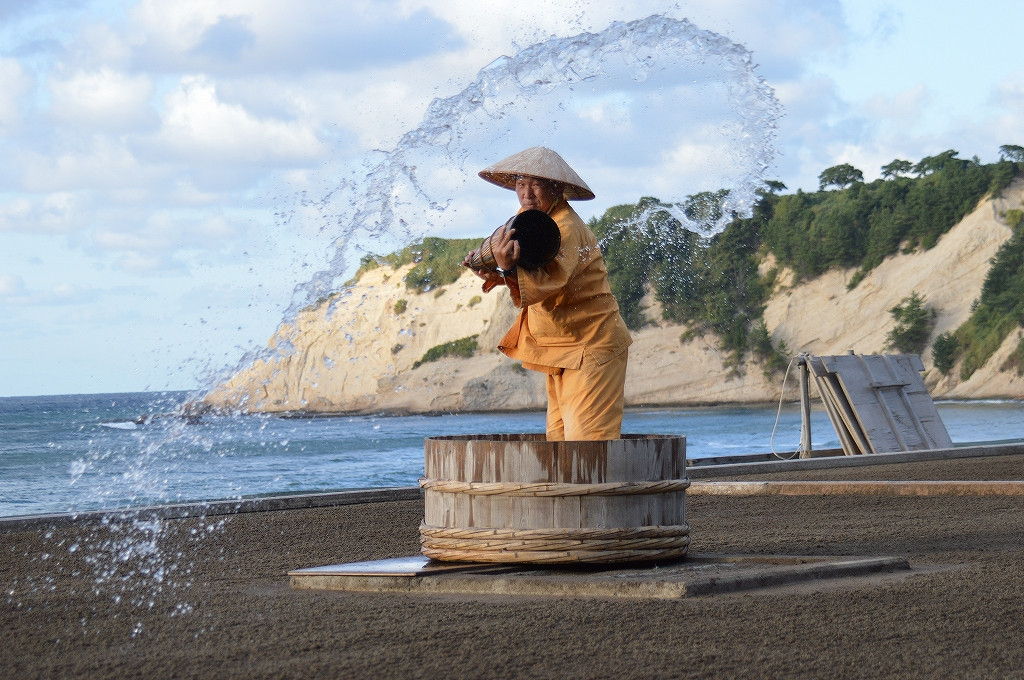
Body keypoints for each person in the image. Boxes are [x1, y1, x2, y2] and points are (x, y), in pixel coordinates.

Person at [463, 146, 632, 441]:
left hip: (592, 345)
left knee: (588, 445)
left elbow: (550, 281)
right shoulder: (530, 219)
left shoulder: (565, 227)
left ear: (557, 189)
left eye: (537, 185)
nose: (527, 194)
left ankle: (596, 490)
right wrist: (491, 269)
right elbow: (529, 270)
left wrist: (505, 270)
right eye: (520, 184)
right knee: (558, 442)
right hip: (561, 349)